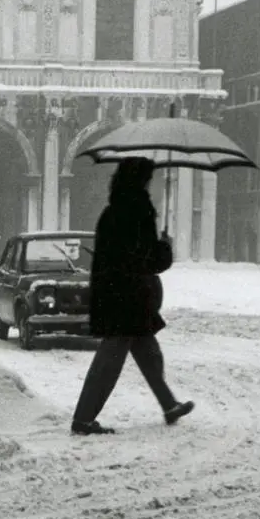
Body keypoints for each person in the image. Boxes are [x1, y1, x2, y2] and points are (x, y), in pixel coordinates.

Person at [70, 156, 193, 436]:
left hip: (117, 295)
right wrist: (165, 247)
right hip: (129, 298)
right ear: (140, 181)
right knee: (109, 361)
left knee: (149, 353)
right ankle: (83, 419)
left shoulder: (113, 210)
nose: (151, 184)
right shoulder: (138, 210)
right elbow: (148, 260)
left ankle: (168, 404)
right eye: (149, 179)